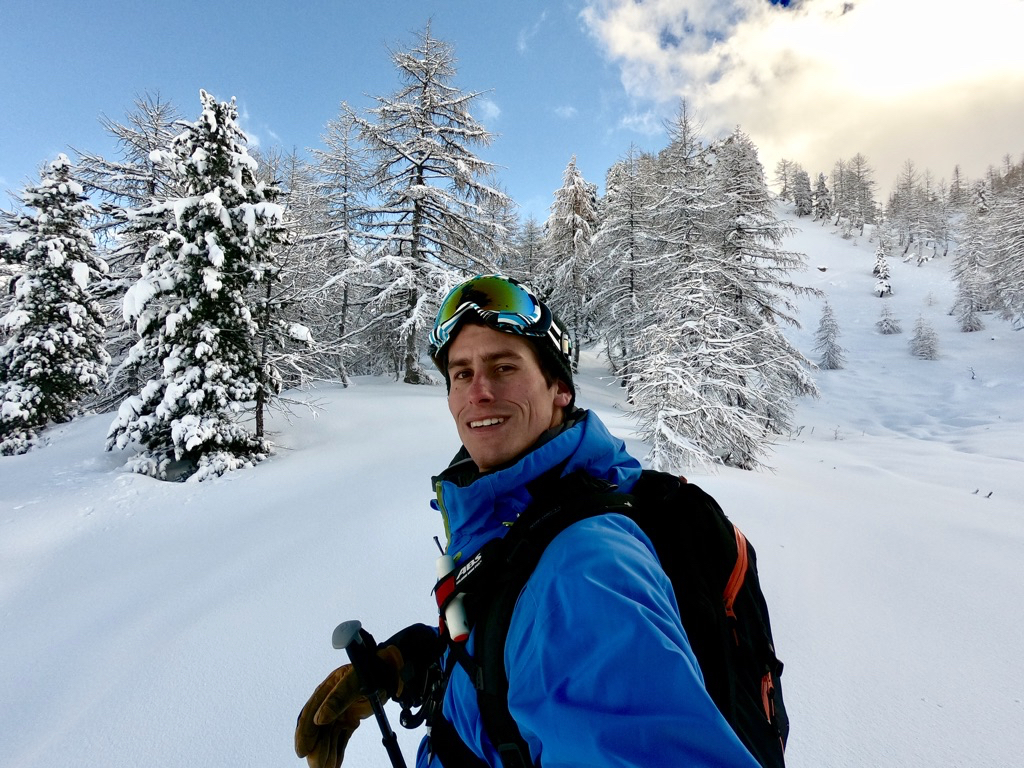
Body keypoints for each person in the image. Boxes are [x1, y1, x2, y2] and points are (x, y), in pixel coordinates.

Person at [295, 274, 762, 768]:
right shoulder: (524, 512)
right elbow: (521, 666)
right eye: (461, 373)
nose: (478, 392)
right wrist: (413, 664)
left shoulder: (584, 570)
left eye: (503, 367)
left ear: (560, 388)